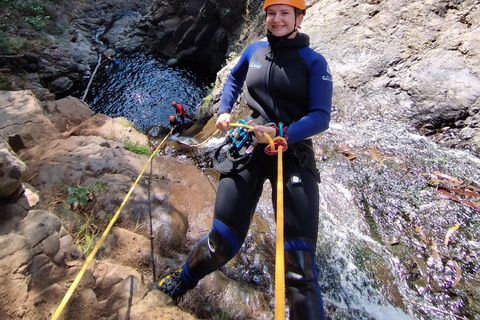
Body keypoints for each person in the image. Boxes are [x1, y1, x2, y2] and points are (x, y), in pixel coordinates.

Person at [152, 0, 332, 319]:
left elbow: (320, 116)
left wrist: (284, 133)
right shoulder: (254, 51)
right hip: (248, 146)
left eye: (285, 14)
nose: (276, 20)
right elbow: (234, 79)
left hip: (291, 154)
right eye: (271, 13)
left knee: (299, 265)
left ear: (299, 18)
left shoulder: (314, 62)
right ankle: (181, 282)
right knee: (221, 241)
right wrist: (223, 110)